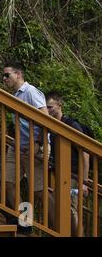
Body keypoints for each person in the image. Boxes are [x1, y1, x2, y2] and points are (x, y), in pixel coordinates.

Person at [2, 61, 49, 231]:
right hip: (18, 147)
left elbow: (46, 120)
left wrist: (39, 144)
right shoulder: (15, 96)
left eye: (7, 75)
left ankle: (58, 227)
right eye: (3, 76)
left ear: (19, 74)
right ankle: (24, 222)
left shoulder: (30, 92)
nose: (4, 79)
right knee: (8, 183)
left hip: (34, 147)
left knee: (38, 191)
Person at [46, 91, 90, 236]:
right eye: (47, 107)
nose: (49, 110)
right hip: (59, 171)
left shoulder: (71, 124)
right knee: (61, 207)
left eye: (51, 107)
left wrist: (84, 181)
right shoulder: (52, 126)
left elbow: (84, 152)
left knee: (71, 208)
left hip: (73, 174)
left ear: (60, 105)